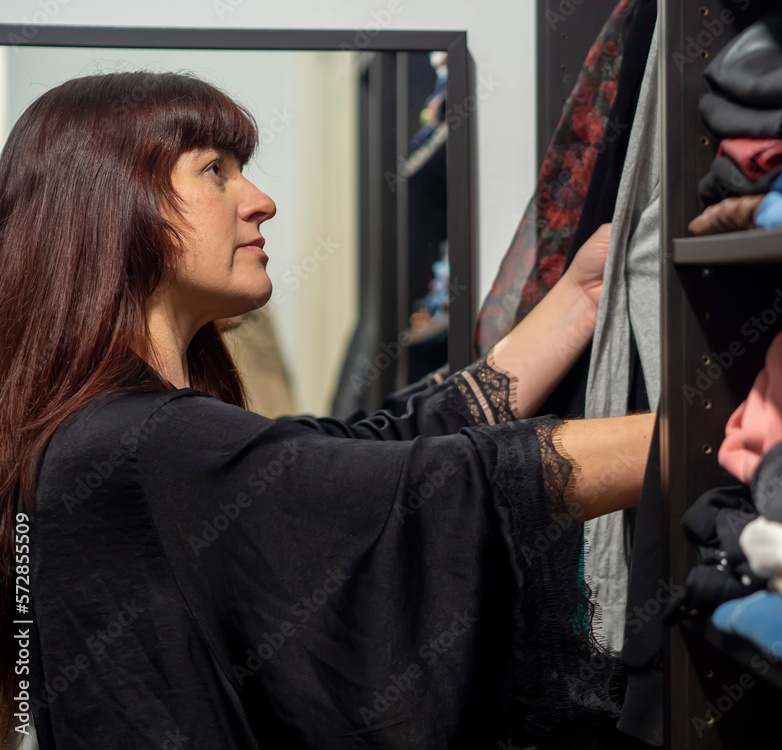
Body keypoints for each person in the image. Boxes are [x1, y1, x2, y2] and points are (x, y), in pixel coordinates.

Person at [0, 72, 656, 749]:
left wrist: (581, 298)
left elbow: (372, 448)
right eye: (216, 171)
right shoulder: (141, 443)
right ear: (113, 201)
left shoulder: (100, 433)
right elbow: (435, 487)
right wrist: (706, 436)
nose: (262, 202)